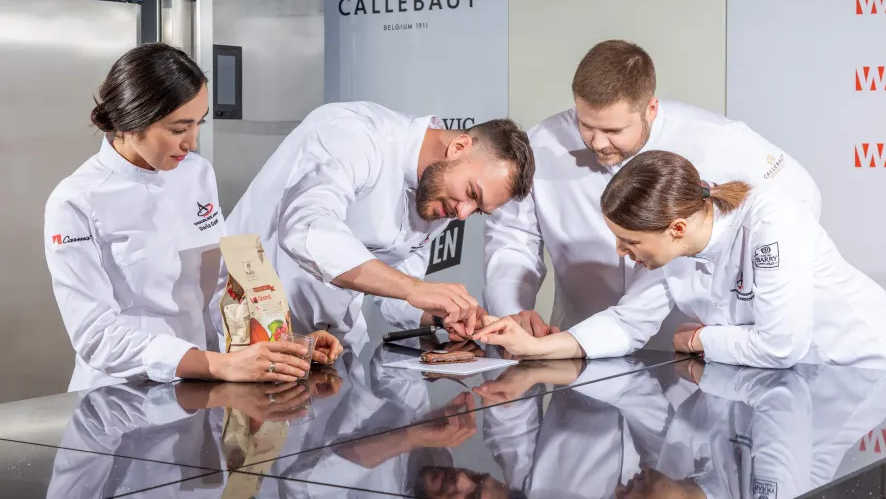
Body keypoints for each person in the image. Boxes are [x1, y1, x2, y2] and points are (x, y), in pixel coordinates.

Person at [482, 39, 822, 356]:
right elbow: (512, 239)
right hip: (582, 343)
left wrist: (742, 297)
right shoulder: (540, 145)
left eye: (614, 131)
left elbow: (798, 199)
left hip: (696, 347)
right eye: (585, 125)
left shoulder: (720, 140)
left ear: (651, 109)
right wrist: (512, 314)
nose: (597, 142)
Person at [44, 43, 341, 392]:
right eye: (178, 129)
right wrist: (218, 364)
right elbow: (96, 336)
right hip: (122, 395)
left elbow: (220, 288)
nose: (192, 143)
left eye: (198, 124)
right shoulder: (76, 201)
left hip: (202, 386)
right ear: (130, 120)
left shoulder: (197, 173)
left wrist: (282, 342)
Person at [478, 150, 886, 373]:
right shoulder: (673, 251)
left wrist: (701, 340)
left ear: (675, 228)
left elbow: (781, 346)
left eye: (629, 241)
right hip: (813, 379)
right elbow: (626, 323)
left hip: (880, 370)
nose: (620, 252)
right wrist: (533, 348)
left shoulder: (769, 219)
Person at [225, 101, 535, 348]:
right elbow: (306, 228)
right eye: (472, 194)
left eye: (478, 210)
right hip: (242, 330)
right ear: (459, 147)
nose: (464, 213)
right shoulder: (357, 133)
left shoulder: (440, 195)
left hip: (326, 345)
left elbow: (395, 291)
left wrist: (442, 316)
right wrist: (414, 288)